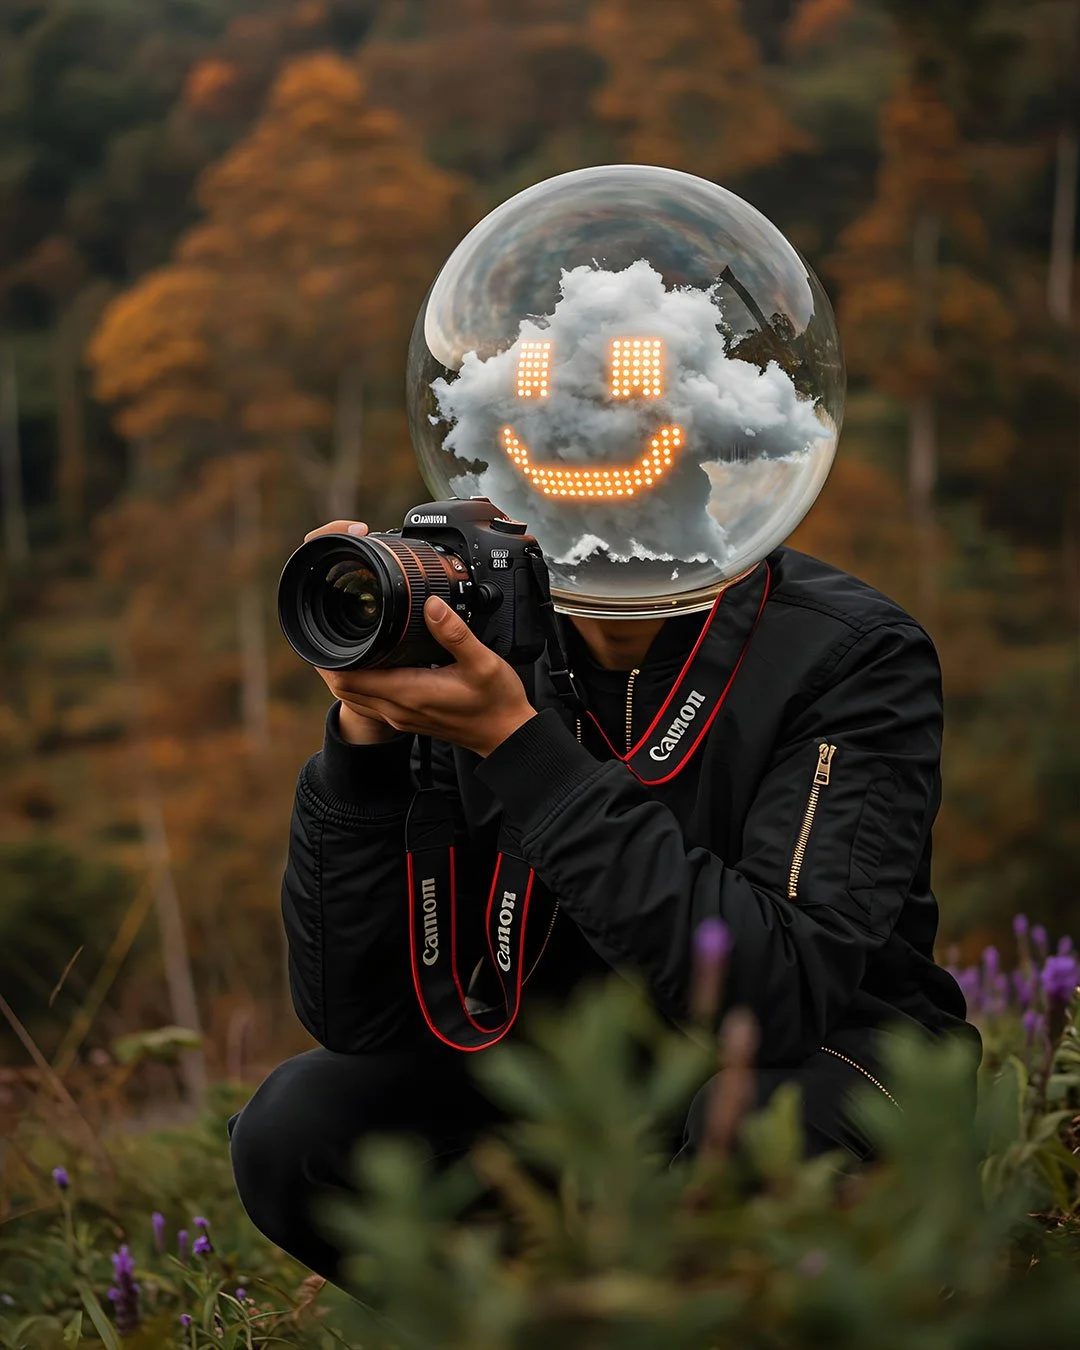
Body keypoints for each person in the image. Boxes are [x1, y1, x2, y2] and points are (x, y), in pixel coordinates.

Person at [228, 514, 983, 1283]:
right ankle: (549, 1324)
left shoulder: (848, 650)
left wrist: (521, 749)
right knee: (298, 1127)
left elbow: (779, 993)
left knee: (758, 1130)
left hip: (822, 1069)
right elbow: (359, 1018)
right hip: (574, 1077)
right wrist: (365, 740)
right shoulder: (487, 633)